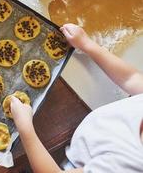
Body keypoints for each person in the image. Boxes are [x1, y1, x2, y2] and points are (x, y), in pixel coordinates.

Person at [10, 23, 143, 173]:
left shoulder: (125, 165)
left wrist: (25, 128)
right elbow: (131, 78)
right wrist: (87, 44)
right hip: (87, 140)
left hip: (67, 165)